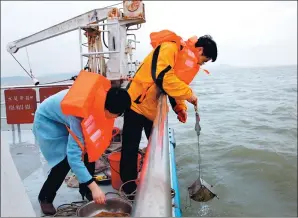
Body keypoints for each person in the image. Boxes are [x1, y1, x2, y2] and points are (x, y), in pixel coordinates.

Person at [119, 30, 218, 196]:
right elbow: (163, 77)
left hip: (153, 109)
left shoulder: (184, 58)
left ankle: (153, 182)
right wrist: (189, 94)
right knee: (130, 148)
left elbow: (174, 84)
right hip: (136, 105)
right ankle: (129, 190)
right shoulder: (170, 48)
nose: (201, 65)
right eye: (204, 60)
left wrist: (180, 107)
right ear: (200, 50)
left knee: (157, 149)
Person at [33, 71, 131, 215]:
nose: (117, 117)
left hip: (62, 117)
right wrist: (95, 187)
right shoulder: (79, 116)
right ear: (108, 109)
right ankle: (45, 198)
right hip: (48, 121)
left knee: (89, 152)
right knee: (64, 161)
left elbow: (89, 146)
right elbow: (74, 157)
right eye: (118, 114)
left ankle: (85, 190)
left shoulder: (103, 99)